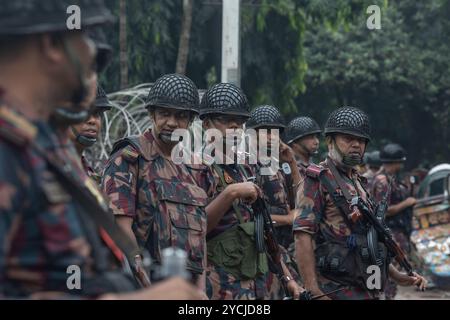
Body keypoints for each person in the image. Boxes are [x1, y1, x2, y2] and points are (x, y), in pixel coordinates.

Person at [0, 1, 203, 300]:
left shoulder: (44, 145)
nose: (93, 53)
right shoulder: (9, 150)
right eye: (86, 39)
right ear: (53, 44)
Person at [294, 107, 427, 300]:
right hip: (334, 289)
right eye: (348, 139)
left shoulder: (359, 182)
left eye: (361, 140)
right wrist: (314, 292)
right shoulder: (317, 179)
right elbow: (302, 236)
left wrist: (399, 276)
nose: (356, 145)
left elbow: (369, 240)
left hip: (366, 286)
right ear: (330, 141)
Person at [102, 73, 213, 293]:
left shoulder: (195, 168)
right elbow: (121, 230)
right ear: (151, 114)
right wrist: (149, 290)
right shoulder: (129, 158)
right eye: (164, 113)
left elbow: (199, 237)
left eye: (181, 116)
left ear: (190, 121)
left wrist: (199, 291)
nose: (171, 122)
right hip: (142, 286)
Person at [199, 83, 300, 300]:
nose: (235, 126)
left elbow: (263, 230)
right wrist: (230, 193)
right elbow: (196, 229)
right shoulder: (196, 167)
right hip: (219, 285)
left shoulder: (247, 167)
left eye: (240, 122)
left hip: (255, 282)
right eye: (226, 120)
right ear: (207, 124)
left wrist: (287, 278)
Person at [245, 104, 303, 299]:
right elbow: (249, 216)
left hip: (284, 248)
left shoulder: (278, 164)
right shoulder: (248, 165)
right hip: (264, 250)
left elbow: (300, 202)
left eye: (275, 132)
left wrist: (292, 162)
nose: (271, 137)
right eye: (265, 132)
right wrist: (288, 219)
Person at [371, 143, 416, 299]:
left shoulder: (390, 179)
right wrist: (407, 203)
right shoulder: (383, 181)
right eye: (400, 162)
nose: (401, 165)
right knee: (389, 276)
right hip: (390, 234)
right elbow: (383, 211)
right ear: (395, 162)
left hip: (395, 233)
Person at [69, 85, 112, 183]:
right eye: (85, 113)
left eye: (97, 114)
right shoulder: (48, 165)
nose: (92, 120)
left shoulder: (89, 173)